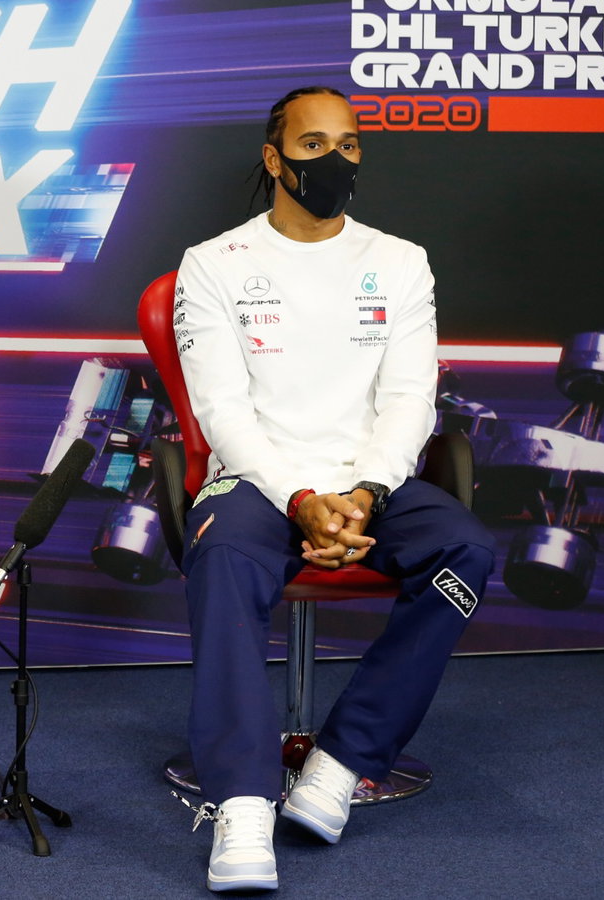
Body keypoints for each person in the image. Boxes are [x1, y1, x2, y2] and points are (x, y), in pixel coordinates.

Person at [170, 86, 495, 892]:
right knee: (225, 563)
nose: (335, 160)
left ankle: (342, 763)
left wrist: (366, 493)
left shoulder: (399, 260)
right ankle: (243, 805)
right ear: (275, 159)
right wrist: (301, 498)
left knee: (466, 549)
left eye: (348, 145)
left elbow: (409, 399)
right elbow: (221, 411)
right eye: (314, 146)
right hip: (255, 481)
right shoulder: (214, 264)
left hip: (370, 485)